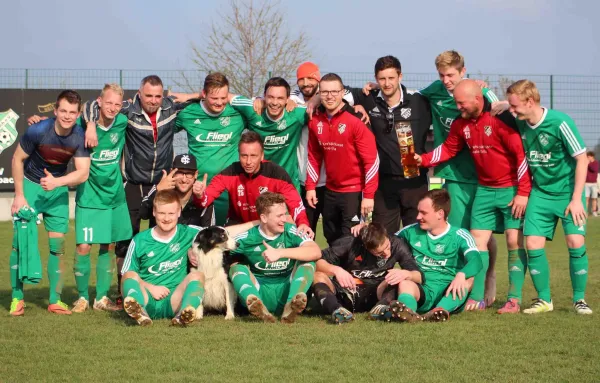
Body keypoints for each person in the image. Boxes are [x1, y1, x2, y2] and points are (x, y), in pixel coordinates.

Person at [416, 79, 531, 313]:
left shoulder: (501, 120)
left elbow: (521, 156)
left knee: (513, 240)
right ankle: (476, 297)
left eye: (461, 103)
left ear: (477, 99)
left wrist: (523, 193)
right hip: (484, 190)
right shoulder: (461, 124)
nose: (458, 107)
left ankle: (513, 299)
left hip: (510, 190)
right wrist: (423, 159)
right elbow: (448, 148)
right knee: (477, 243)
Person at [82, 75, 194, 305]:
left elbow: (209, 101)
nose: (153, 100)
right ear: (139, 94)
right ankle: (125, 292)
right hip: (132, 184)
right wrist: (91, 125)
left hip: (163, 182)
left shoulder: (171, 107)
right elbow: (93, 104)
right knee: (125, 241)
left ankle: (164, 287)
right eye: (148, 95)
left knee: (162, 236)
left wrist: (192, 95)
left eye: (157, 96)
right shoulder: (127, 110)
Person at [415, 50, 501, 307]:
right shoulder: (434, 90)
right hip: (452, 172)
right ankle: (460, 283)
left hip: (484, 174)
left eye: (451, 75)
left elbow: (499, 108)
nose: (446, 80)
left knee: (482, 233)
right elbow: (408, 96)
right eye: (441, 75)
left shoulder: (481, 93)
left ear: (463, 72)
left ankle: (489, 275)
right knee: (462, 230)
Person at [506, 80, 592, 315]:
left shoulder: (560, 122)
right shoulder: (521, 120)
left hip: (567, 194)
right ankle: (544, 300)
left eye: (515, 107)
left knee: (575, 242)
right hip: (540, 194)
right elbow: (502, 105)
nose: (511, 112)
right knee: (532, 243)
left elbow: (582, 159)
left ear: (530, 102)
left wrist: (576, 199)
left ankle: (579, 300)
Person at [121, 189, 257, 326]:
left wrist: (258, 222)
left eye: (171, 213)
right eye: (162, 213)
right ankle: (141, 313)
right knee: (129, 274)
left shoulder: (188, 232)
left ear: (179, 212)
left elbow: (221, 232)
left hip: (176, 299)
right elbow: (126, 275)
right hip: (147, 297)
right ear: (154, 212)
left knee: (197, 275)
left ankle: (185, 313)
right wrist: (150, 287)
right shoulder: (139, 240)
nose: (166, 218)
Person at [10, 90, 90, 316]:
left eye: (72, 112)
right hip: (30, 188)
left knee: (57, 248)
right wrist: (19, 195)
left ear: (78, 114)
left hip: (56, 190)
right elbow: (17, 159)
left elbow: (83, 173)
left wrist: (57, 182)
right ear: (55, 111)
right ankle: (17, 298)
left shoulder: (79, 136)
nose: (67, 116)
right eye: (63, 111)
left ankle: (55, 300)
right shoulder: (38, 130)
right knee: (20, 244)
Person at [345, 56, 432, 233]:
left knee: (417, 240)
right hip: (384, 184)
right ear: (376, 79)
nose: (386, 83)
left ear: (400, 77)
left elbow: (450, 92)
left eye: (391, 78)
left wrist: (482, 89)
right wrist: (316, 100)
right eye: (382, 79)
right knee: (382, 240)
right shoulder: (368, 98)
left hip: (415, 182)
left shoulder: (419, 100)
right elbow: (335, 91)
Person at [192, 131, 313, 237]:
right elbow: (205, 200)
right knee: (224, 238)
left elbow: (296, 204)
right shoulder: (229, 173)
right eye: (244, 156)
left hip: (268, 225)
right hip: (239, 225)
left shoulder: (276, 173)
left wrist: (302, 223)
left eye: (253, 156)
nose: (248, 162)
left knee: (292, 228)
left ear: (262, 156)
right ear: (238, 155)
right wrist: (199, 195)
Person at [306, 73, 379, 245]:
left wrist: (368, 195)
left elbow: (372, 161)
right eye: (325, 92)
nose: (330, 96)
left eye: (334, 91)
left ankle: (352, 272)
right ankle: (336, 272)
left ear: (342, 92)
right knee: (331, 237)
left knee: (352, 239)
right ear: (319, 94)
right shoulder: (315, 121)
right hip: (330, 190)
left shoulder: (357, 119)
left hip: (354, 192)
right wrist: (310, 186)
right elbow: (314, 156)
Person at [390, 189, 482, 322]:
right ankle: (407, 312)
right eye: (418, 212)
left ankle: (441, 309)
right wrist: (365, 229)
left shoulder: (460, 235)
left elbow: (476, 260)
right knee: (405, 282)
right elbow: (385, 242)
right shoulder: (410, 231)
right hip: (422, 289)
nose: (418, 217)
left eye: (423, 213)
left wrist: (461, 274)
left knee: (468, 279)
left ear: (440, 214)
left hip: (449, 290)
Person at [227, 192, 321, 323]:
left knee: (308, 261)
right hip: (260, 290)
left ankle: (291, 305)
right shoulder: (246, 238)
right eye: (279, 215)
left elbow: (316, 251)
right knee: (235, 267)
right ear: (264, 218)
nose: (285, 219)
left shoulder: (291, 231)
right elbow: (220, 251)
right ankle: (256, 304)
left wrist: (280, 253)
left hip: (288, 288)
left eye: (285, 214)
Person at [174, 72, 249, 226]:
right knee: (199, 240)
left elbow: (263, 106)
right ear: (204, 94)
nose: (220, 103)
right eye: (214, 98)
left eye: (224, 98)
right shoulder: (188, 113)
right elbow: (161, 130)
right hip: (199, 188)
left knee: (228, 240)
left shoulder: (239, 113)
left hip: (230, 189)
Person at [313, 222, 422, 324]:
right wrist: (337, 270)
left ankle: (380, 309)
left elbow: (419, 276)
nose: (387, 253)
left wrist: (406, 274)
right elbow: (317, 261)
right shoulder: (350, 242)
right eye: (380, 253)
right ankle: (336, 310)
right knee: (317, 276)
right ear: (366, 247)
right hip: (345, 292)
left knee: (399, 278)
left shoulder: (397, 244)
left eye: (387, 247)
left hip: (376, 294)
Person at [230, 77, 307, 192]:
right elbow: (225, 95)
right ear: (264, 95)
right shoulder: (253, 110)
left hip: (288, 185)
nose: (275, 103)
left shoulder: (296, 114)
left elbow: (320, 100)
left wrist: (315, 101)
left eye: (280, 98)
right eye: (271, 97)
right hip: (259, 186)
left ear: (288, 99)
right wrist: (193, 96)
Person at [139, 154, 212, 227]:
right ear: (172, 172)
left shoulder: (202, 197)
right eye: (179, 173)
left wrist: (202, 198)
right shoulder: (160, 188)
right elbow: (143, 214)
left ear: (196, 174)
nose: (184, 180)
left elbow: (208, 230)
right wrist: (157, 191)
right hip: (163, 237)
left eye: (189, 174)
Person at [585, 151, 598, 216]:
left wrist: (588, 164)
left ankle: (594, 211)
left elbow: (594, 169)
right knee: (586, 198)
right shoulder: (585, 163)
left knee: (594, 198)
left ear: (592, 157)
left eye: (588, 157)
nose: (587, 158)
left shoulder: (595, 163)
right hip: (586, 184)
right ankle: (585, 212)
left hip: (594, 184)